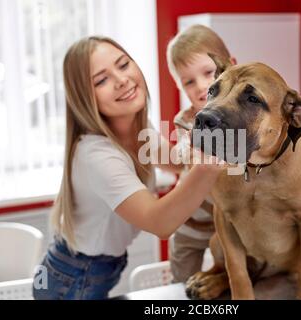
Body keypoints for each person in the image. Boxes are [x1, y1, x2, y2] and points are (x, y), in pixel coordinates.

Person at [32, 36, 225, 300]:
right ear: (84, 98)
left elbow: (176, 162)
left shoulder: (139, 128)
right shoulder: (96, 155)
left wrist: (199, 131)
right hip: (72, 276)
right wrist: (210, 164)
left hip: (100, 267)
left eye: (123, 65)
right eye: (101, 80)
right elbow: (160, 222)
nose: (121, 79)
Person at [166, 25, 236, 283]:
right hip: (189, 222)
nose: (202, 86)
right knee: (181, 287)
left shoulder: (241, 118)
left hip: (227, 227)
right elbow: (184, 151)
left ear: (230, 67)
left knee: (230, 281)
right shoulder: (187, 120)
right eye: (189, 81)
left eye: (208, 73)